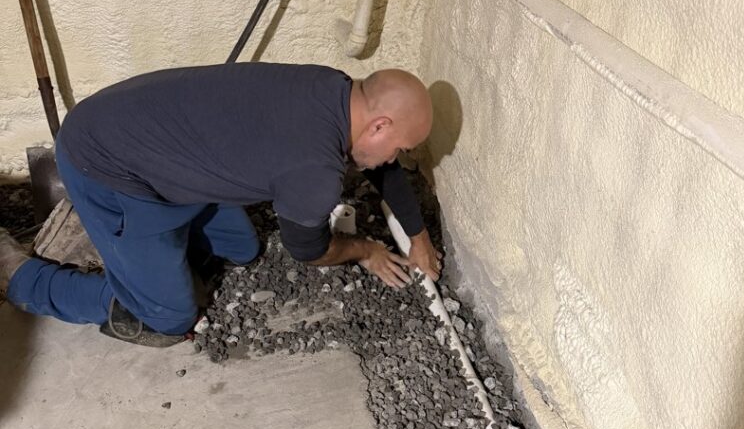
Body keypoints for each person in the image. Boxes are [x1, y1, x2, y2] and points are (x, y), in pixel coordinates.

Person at [0, 63, 441, 346]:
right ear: (379, 125)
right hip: (108, 166)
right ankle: (19, 276)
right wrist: (366, 250)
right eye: (399, 148)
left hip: (152, 144)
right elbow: (309, 250)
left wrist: (418, 235)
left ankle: (154, 253)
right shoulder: (315, 169)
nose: (393, 158)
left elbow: (379, 163)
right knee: (169, 318)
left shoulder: (334, 88)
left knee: (242, 247)